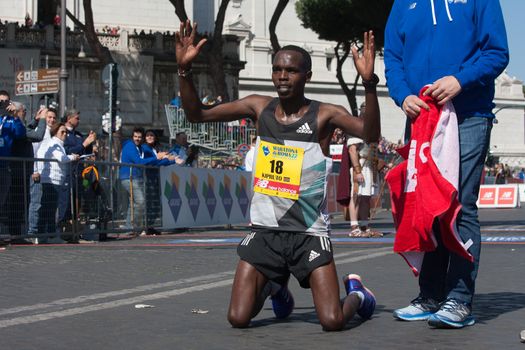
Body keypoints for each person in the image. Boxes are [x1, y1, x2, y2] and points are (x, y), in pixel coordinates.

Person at [175, 20, 380, 331]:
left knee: (332, 321)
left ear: (307, 76)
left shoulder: (325, 114)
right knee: (238, 318)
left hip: (307, 232)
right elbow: (197, 115)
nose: (282, 76)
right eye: (277, 69)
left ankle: (360, 295)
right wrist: (184, 72)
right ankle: (275, 286)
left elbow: (371, 133)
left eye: (292, 70)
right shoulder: (259, 108)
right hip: (265, 232)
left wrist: (368, 83)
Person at [384, 0, 509, 328]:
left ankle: (459, 300)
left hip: (470, 115)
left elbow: (497, 53)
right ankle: (430, 296)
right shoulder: (403, 4)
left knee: (460, 206)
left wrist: (460, 80)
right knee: (427, 206)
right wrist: (402, 95)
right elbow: (394, 58)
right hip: (422, 117)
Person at [35, 123, 80, 243]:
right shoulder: (54, 143)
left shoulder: (58, 144)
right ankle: (45, 235)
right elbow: (61, 158)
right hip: (51, 180)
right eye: (62, 132)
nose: (65, 134)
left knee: (50, 209)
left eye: (65, 132)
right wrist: (73, 157)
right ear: (55, 133)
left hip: (55, 180)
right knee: (48, 209)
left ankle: (47, 235)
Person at [119, 127, 169, 232]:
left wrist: (168, 160)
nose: (137, 139)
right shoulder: (130, 146)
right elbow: (139, 162)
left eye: (139, 137)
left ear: (142, 138)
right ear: (132, 137)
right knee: (140, 201)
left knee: (133, 203)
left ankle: (130, 227)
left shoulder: (139, 147)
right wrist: (157, 157)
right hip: (129, 177)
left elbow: (149, 162)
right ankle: (132, 226)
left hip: (135, 177)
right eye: (135, 137)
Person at [58, 108, 97, 239]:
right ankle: (64, 229)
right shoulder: (63, 133)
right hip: (68, 171)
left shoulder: (78, 135)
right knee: (67, 202)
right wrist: (84, 144)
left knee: (77, 201)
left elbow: (84, 150)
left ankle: (75, 229)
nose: (79, 121)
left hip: (79, 172)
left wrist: (90, 143)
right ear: (69, 118)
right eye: (77, 118)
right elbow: (67, 150)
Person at [347, 103, 383, 238]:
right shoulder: (356, 127)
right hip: (361, 165)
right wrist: (357, 171)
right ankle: (354, 227)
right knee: (356, 196)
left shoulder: (372, 128)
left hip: (370, 166)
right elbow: (352, 150)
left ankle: (364, 226)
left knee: (366, 198)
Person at [143, 129, 182, 235]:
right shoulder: (145, 148)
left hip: (155, 177)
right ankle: (145, 227)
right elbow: (154, 162)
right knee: (149, 203)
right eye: (147, 135)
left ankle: (150, 226)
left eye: (152, 135)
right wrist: (170, 160)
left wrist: (168, 159)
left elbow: (158, 162)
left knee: (155, 204)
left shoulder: (154, 148)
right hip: (148, 177)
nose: (150, 137)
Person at [27, 107, 58, 242]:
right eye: (49, 117)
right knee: (36, 204)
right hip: (38, 174)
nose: (51, 120)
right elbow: (34, 151)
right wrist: (35, 170)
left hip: (47, 176)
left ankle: (41, 232)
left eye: (53, 118)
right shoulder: (42, 131)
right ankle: (32, 232)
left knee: (44, 205)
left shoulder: (51, 132)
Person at [0, 91, 26, 236]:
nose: (3, 104)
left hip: (4, 167)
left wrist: (16, 116)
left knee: (1, 202)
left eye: (6, 101)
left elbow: (20, 134)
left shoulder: (10, 120)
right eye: (0, 101)